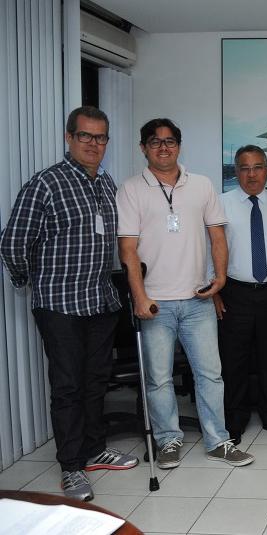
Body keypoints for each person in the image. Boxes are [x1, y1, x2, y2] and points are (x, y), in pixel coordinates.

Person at [0, 106, 138, 501]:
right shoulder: (45, 183)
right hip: (60, 306)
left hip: (100, 302)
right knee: (67, 387)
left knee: (96, 383)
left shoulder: (106, 183)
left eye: (100, 137)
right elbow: (12, 243)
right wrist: (31, 281)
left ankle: (94, 450)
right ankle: (71, 466)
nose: (93, 144)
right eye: (85, 136)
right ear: (69, 137)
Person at [117, 118, 254, 469]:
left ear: (179, 145)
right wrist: (139, 297)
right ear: (143, 148)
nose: (163, 147)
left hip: (197, 300)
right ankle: (168, 440)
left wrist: (220, 278)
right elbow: (127, 249)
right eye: (155, 141)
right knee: (159, 378)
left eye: (170, 141)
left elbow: (217, 237)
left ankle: (218, 441)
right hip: (155, 303)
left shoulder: (202, 185)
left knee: (210, 375)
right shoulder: (131, 189)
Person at [213, 145, 267, 444]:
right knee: (233, 360)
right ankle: (234, 420)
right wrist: (214, 293)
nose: (252, 174)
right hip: (233, 292)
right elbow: (209, 250)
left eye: (258, 167)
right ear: (236, 171)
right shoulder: (219, 204)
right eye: (245, 168)